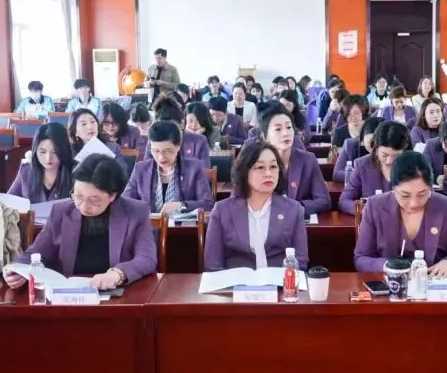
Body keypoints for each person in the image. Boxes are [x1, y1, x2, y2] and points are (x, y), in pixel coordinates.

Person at [6, 155, 157, 289]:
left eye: (94, 199)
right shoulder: (61, 212)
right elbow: (36, 253)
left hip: (119, 294)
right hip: (70, 294)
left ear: (112, 196)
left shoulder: (135, 212)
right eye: (78, 196)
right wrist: (16, 269)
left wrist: (119, 274)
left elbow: (147, 258)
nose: (84, 206)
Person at [353, 152, 447, 275]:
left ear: (431, 188)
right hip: (391, 283)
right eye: (405, 196)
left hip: (433, 282)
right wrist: (388, 266)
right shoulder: (375, 206)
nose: (413, 203)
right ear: (393, 188)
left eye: (422, 194)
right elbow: (361, 259)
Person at [203, 142, 308, 271]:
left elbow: (300, 262)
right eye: (260, 167)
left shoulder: (293, 210)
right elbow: (213, 266)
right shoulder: (221, 211)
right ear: (244, 171)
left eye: (273, 166)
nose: (268, 173)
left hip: (280, 283)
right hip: (235, 283)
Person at [123, 121, 214, 214]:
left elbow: (208, 204)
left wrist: (182, 205)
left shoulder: (194, 168)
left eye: (167, 151)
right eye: (156, 151)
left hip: (181, 223)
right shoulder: (140, 169)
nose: (161, 157)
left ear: (178, 147)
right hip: (147, 222)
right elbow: (125, 202)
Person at [259, 106, 330, 216]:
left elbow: (324, 200)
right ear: (265, 137)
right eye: (278, 129)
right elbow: (239, 203)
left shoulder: (308, 160)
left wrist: (298, 207)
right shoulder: (254, 163)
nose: (285, 133)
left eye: (289, 127)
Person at [338, 121, 411, 214]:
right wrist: (368, 210)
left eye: (396, 156)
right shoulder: (362, 165)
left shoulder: (414, 166)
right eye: (384, 155)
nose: (389, 161)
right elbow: (344, 201)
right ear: (375, 149)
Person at [8, 123, 75, 202]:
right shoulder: (26, 170)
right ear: (35, 150)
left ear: (64, 150)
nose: (48, 158)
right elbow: (9, 200)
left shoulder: (76, 171)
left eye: (54, 152)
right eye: (43, 152)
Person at [143, 97, 211, 166]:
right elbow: (147, 168)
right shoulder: (153, 141)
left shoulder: (199, 141)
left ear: (181, 123)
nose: (167, 133)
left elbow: (204, 169)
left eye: (171, 128)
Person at [333, 116, 383, 182]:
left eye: (380, 142)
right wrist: (362, 175)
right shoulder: (350, 145)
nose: (375, 146)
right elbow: (337, 174)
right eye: (371, 142)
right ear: (362, 138)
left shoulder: (391, 148)